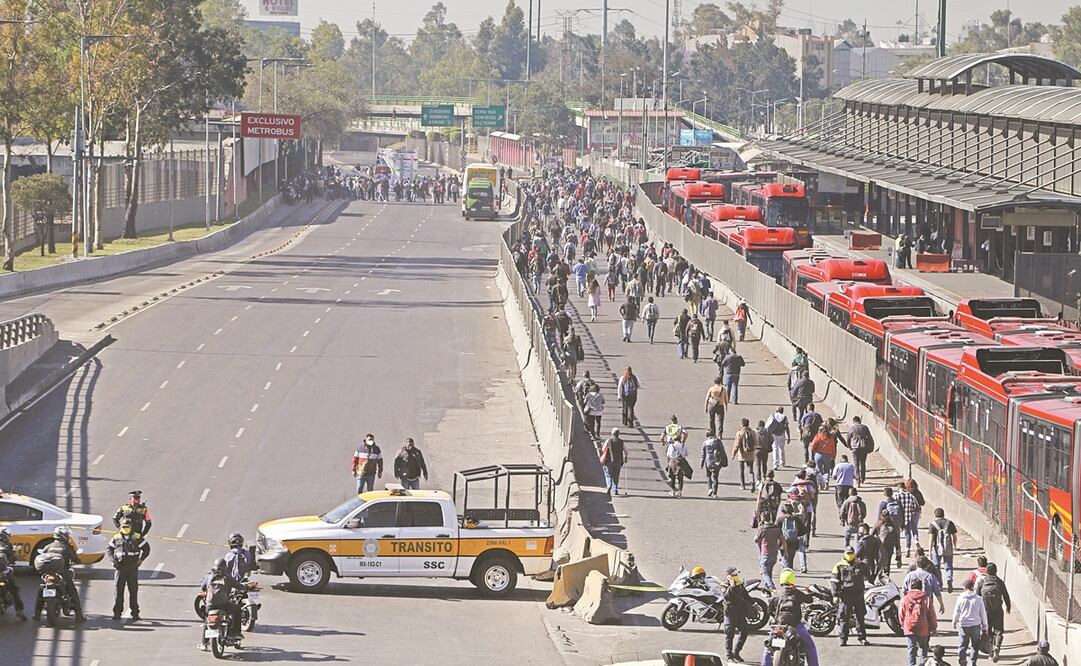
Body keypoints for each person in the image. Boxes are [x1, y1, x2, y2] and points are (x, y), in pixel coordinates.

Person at [761, 569, 819, 666]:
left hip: (778, 626)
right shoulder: (796, 593)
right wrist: (810, 592)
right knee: (810, 646)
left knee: (768, 647)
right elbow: (809, 600)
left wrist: (775, 618)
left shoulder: (777, 593)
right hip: (795, 625)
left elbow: (769, 609)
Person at [34, 526, 84, 623]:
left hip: (47, 573)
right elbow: (75, 558)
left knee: (41, 591)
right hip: (63, 573)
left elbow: (41, 555)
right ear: (63, 536)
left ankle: (36, 615)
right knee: (73, 592)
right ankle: (79, 616)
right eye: (67, 535)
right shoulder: (67, 547)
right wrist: (77, 560)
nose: (68, 537)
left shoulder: (48, 546)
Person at [108, 517, 150, 621]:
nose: (125, 528)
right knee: (118, 590)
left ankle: (135, 613)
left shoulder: (137, 537)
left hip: (132, 567)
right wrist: (113, 560)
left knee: (133, 591)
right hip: (120, 567)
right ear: (121, 527)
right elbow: (109, 549)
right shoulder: (116, 537)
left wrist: (140, 560)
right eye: (124, 526)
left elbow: (146, 549)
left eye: (127, 527)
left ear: (131, 527)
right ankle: (117, 613)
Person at [199, 558, 244, 649]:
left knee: (207, 619)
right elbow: (238, 586)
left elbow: (202, 586)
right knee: (237, 609)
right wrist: (245, 587)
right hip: (223, 605)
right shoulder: (227, 577)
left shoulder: (209, 576)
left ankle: (204, 643)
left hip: (210, 605)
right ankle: (235, 633)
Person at [831, 545, 870, 646]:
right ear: (844, 554)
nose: (849, 555)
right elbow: (834, 581)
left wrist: (861, 563)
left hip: (858, 594)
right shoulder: (839, 565)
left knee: (860, 616)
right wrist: (835, 595)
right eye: (848, 553)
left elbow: (868, 574)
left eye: (851, 553)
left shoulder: (860, 564)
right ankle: (843, 639)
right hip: (845, 595)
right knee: (844, 617)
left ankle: (862, 638)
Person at [976, 562, 1011, 658]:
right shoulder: (999, 582)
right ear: (996, 571)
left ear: (986, 571)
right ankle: (997, 646)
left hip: (985, 611)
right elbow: (1006, 595)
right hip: (997, 610)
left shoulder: (982, 582)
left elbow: (977, 596)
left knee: (988, 631)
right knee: (999, 630)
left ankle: (991, 651)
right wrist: (1008, 606)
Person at [900, 577, 938, 666]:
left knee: (911, 648)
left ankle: (911, 664)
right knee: (923, 648)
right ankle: (923, 664)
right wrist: (933, 627)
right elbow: (931, 614)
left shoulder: (905, 599)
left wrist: (903, 624)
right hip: (923, 628)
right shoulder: (926, 599)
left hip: (909, 627)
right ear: (921, 587)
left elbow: (901, 614)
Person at [953, 578, 988, 666]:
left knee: (962, 645)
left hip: (964, 624)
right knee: (974, 645)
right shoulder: (978, 599)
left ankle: (962, 661)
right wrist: (985, 626)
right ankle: (973, 662)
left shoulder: (960, 598)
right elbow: (983, 613)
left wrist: (954, 621)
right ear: (972, 587)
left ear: (965, 587)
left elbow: (957, 611)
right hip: (975, 625)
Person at [722, 567, 753, 662]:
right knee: (729, 635)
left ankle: (736, 652)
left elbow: (745, 595)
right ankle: (729, 656)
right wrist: (731, 586)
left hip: (740, 612)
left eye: (736, 574)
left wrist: (754, 604)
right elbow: (727, 597)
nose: (736, 576)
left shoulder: (739, 584)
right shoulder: (724, 585)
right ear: (729, 576)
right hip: (730, 613)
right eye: (734, 575)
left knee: (744, 632)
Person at [928, 508, 958, 592]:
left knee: (936, 566)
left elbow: (931, 539)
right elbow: (954, 536)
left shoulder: (933, 524)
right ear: (943, 514)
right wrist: (954, 546)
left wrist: (929, 551)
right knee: (948, 566)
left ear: (935, 515)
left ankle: (939, 584)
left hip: (936, 549)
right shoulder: (949, 523)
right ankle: (949, 579)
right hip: (948, 548)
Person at [809, 418, 843, 488]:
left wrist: (815, 452)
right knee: (827, 470)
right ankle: (826, 481)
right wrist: (833, 457)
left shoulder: (818, 436)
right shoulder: (830, 438)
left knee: (819, 470)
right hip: (828, 456)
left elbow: (812, 446)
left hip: (818, 455)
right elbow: (833, 448)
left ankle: (820, 484)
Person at [0, 528, 26, 620]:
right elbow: (12, 559)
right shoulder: (8, 545)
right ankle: (19, 610)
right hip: (3, 573)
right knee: (14, 590)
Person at [755, 511, 783, 590]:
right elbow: (782, 539)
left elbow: (756, 540)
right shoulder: (776, 528)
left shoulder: (762, 529)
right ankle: (767, 585)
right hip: (774, 553)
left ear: (762, 518)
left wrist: (758, 528)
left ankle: (771, 586)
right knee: (769, 571)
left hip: (765, 554)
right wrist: (786, 551)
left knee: (764, 572)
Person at [664, 421, 691, 498]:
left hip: (673, 462)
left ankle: (673, 491)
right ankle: (680, 492)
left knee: (672, 477)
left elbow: (668, 454)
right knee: (680, 478)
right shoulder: (683, 445)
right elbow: (686, 454)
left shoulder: (671, 446)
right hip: (681, 462)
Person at [847, 416, 875, 485]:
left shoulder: (851, 428)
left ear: (854, 421)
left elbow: (848, 439)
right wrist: (869, 446)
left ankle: (857, 478)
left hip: (855, 448)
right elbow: (870, 438)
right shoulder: (864, 427)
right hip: (863, 448)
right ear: (860, 421)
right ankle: (862, 478)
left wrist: (850, 446)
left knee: (856, 464)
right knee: (862, 463)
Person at [600, 428, 628, 496]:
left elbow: (603, 449)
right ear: (618, 434)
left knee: (608, 475)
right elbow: (626, 451)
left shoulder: (609, 440)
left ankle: (609, 485)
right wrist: (625, 457)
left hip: (609, 461)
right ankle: (615, 490)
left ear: (612, 433)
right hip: (618, 461)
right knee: (616, 476)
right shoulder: (621, 442)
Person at [731, 418, 756, 492]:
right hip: (751, 454)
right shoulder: (753, 432)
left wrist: (733, 454)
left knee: (741, 470)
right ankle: (752, 482)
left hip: (742, 454)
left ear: (742, 424)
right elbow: (756, 442)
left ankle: (743, 485)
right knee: (751, 470)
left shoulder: (739, 433)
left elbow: (737, 445)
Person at [701, 430, 727, 497]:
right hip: (716, 460)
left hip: (708, 460)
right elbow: (722, 451)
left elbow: (703, 454)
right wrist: (724, 460)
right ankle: (715, 493)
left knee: (708, 475)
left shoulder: (705, 443)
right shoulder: (718, 441)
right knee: (715, 477)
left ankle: (710, 488)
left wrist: (701, 463)